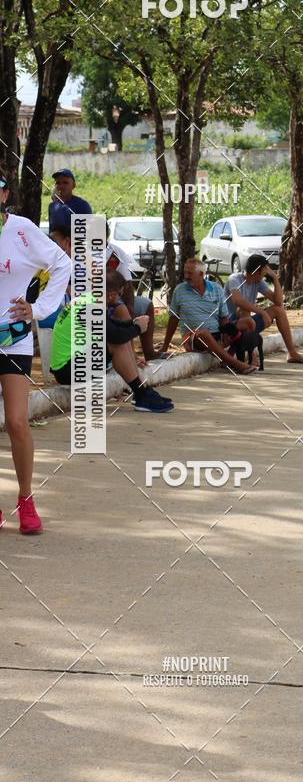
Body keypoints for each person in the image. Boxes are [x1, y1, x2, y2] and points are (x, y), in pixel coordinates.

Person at [0, 177, 71, 534]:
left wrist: (39, 308)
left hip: (12, 337)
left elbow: (62, 264)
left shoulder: (22, 230)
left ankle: (25, 499)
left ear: (4, 193)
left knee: (16, 421)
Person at [49, 229, 173, 413]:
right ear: (111, 295)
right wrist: (138, 328)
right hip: (67, 370)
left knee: (119, 340)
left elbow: (114, 327)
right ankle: (141, 394)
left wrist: (133, 324)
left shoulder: (88, 300)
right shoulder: (89, 307)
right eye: (119, 295)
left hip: (71, 363)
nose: (119, 299)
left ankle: (143, 392)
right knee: (118, 344)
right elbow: (114, 335)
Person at [160, 258, 257, 374]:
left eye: (190, 273)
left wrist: (226, 332)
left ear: (201, 274)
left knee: (249, 322)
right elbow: (173, 318)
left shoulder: (216, 288)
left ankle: (228, 355)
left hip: (217, 334)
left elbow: (223, 317)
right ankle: (235, 364)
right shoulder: (179, 290)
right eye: (185, 272)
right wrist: (165, 345)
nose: (186, 276)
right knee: (204, 333)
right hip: (194, 338)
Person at [224, 254, 303, 364]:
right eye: (265, 270)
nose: (266, 274)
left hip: (247, 324)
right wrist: (260, 311)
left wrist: (275, 278)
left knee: (278, 310)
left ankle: (292, 353)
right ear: (257, 271)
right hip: (230, 326)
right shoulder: (235, 279)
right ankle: (252, 355)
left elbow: (278, 302)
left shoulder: (258, 282)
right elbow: (238, 301)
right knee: (244, 310)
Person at [105, 223, 159, 361]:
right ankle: (130, 357)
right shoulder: (81, 254)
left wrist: (129, 304)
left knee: (145, 304)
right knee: (122, 310)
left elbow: (127, 283)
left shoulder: (115, 252)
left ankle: (149, 352)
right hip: (95, 300)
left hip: (115, 297)